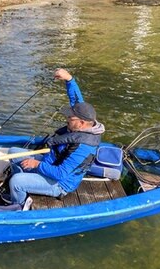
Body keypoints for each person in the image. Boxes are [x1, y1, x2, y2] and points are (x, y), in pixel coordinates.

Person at [6, 68, 105, 209]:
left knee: (16, 181)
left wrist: (36, 165)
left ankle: (18, 205)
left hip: (59, 183)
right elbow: (76, 100)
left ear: (82, 123)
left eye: (70, 118)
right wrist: (69, 79)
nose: (67, 119)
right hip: (50, 163)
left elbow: (60, 174)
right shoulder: (83, 120)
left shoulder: (83, 147)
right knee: (13, 152)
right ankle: (26, 188)